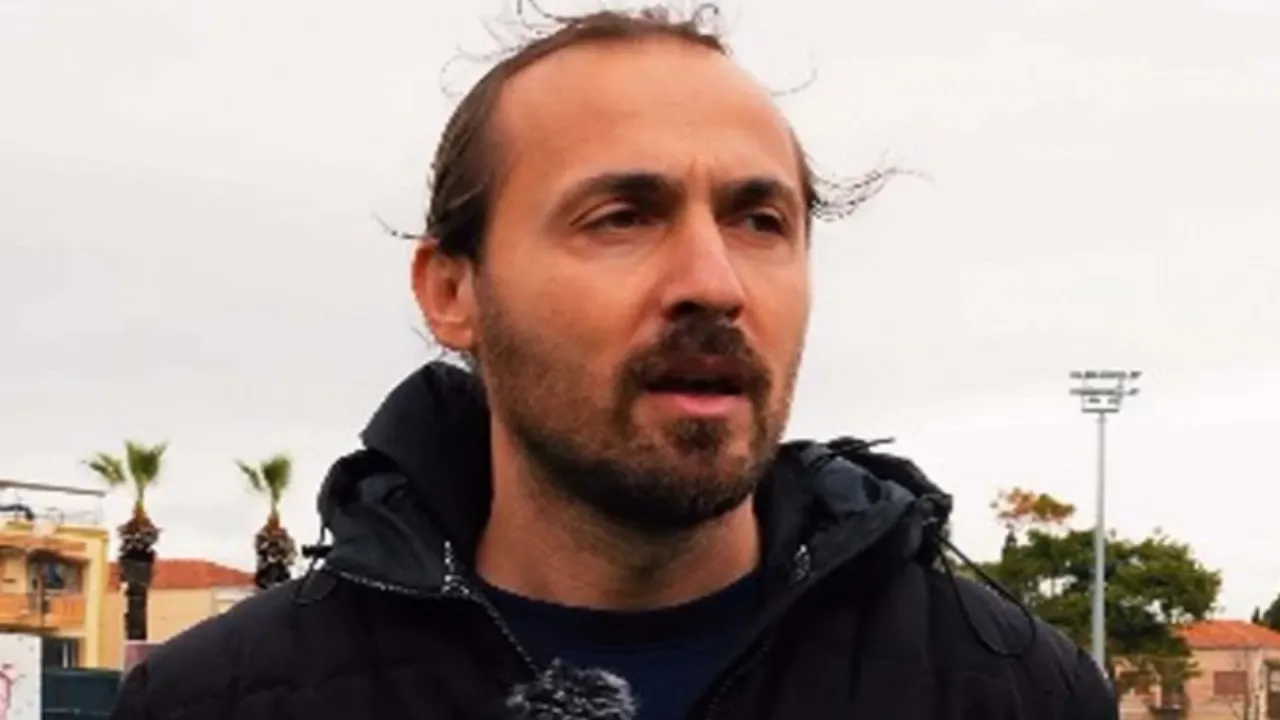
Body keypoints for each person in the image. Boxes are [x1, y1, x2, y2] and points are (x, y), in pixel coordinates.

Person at [111, 5, 1117, 719]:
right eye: (622, 217)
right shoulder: (220, 701)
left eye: (759, 221)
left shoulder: (1011, 690)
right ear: (452, 291)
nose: (713, 282)